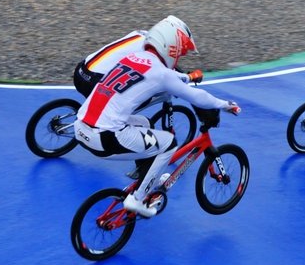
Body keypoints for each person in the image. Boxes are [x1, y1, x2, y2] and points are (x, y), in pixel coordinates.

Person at [73, 16, 240, 218]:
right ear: (172, 47)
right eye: (180, 52)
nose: (179, 57)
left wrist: (187, 77)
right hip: (105, 136)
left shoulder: (133, 58)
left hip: (81, 126)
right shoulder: (161, 73)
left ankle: (147, 177)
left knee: (144, 123)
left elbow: (168, 76)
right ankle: (137, 199)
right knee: (169, 143)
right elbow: (197, 96)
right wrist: (225, 105)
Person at [73, 17, 201, 98]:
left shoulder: (141, 35)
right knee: (142, 94)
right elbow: (164, 74)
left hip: (81, 70)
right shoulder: (150, 51)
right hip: (94, 83)